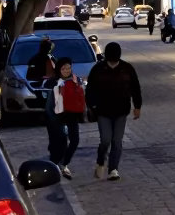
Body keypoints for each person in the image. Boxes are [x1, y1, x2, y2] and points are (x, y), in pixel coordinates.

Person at [85, 42, 141, 182]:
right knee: (105, 140)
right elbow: (90, 89)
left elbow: (135, 88)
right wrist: (92, 106)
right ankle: (101, 161)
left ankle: (113, 169)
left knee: (117, 141)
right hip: (103, 111)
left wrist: (137, 106)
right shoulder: (98, 69)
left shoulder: (127, 68)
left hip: (121, 111)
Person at [46, 57, 87, 179]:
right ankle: (55, 166)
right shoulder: (52, 82)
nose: (67, 70)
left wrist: (83, 113)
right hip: (57, 117)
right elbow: (49, 103)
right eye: (64, 68)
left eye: (69, 67)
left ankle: (64, 163)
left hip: (72, 116)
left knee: (74, 141)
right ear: (59, 69)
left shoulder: (76, 80)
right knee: (60, 142)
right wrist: (51, 118)